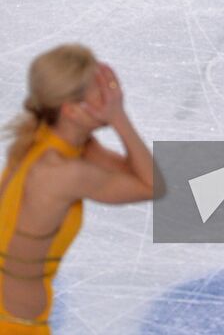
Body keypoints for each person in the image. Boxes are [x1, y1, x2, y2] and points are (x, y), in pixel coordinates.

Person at [0, 44, 155, 334]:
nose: (111, 93)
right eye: (101, 90)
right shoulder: (64, 173)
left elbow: (137, 175)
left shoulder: (42, 137)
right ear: (72, 110)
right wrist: (118, 117)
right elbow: (150, 185)